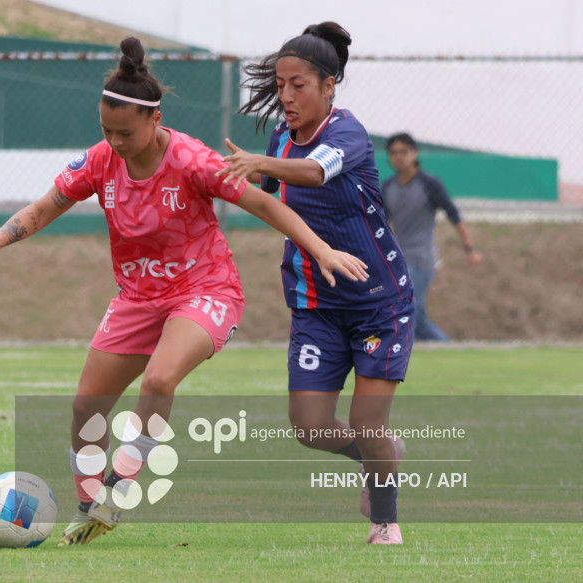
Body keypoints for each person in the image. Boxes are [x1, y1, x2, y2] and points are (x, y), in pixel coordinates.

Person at [0, 37, 368, 547]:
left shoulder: (192, 161)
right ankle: (90, 508)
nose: (115, 142)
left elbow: (266, 207)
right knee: (86, 408)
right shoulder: (99, 161)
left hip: (205, 290)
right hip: (136, 298)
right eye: (106, 131)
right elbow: (45, 207)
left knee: (159, 377)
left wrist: (320, 249)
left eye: (125, 132)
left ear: (155, 121)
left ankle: (118, 490)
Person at [218, 22, 413, 544]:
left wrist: (262, 163)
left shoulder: (347, 134)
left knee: (368, 422)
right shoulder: (282, 138)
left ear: (329, 85)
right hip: (316, 306)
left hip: (379, 304)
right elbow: (264, 185)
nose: (285, 95)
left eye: (297, 84)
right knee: (308, 426)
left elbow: (315, 172)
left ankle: (384, 522)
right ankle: (382, 456)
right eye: (280, 85)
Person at [382, 132, 483, 342]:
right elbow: (381, 225)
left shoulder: (429, 184)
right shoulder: (388, 187)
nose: (398, 157)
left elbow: (453, 214)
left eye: (403, 152)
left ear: (414, 153)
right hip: (398, 261)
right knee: (414, 317)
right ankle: (447, 348)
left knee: (410, 311)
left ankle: (439, 350)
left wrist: (470, 249)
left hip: (422, 259)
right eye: (393, 153)